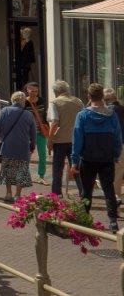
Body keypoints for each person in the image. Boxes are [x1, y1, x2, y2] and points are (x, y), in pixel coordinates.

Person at [70, 83, 122, 232]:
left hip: (88, 158)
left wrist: (75, 161)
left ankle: (84, 219)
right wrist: (116, 154)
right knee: (109, 190)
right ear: (103, 97)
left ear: (89, 96)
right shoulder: (112, 115)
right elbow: (117, 137)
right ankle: (112, 221)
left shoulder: (83, 115)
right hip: (106, 159)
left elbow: (77, 139)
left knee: (86, 191)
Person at [0, 92, 38, 201]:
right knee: (21, 170)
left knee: (7, 169)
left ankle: (8, 193)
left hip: (8, 146)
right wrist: (32, 145)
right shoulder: (28, 114)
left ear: (12, 100)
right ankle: (17, 195)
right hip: (23, 147)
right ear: (23, 101)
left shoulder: (5, 111)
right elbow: (33, 133)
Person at [48, 79, 84, 196]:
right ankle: (83, 192)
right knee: (77, 167)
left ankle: (56, 193)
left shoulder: (55, 103)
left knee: (57, 168)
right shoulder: (78, 101)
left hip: (60, 140)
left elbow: (54, 122)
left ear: (55, 92)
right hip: (76, 139)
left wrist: (50, 139)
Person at [25, 81, 50, 186]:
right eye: (32, 91)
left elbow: (44, 114)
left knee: (42, 155)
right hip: (28, 132)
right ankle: (25, 175)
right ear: (27, 90)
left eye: (36, 91)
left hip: (41, 131)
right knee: (27, 154)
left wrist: (46, 125)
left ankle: (41, 176)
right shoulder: (24, 102)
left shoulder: (41, 100)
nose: (34, 93)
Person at [106, 87, 124, 199]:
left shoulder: (108, 111)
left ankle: (114, 198)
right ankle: (116, 195)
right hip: (122, 144)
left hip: (112, 145)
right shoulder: (122, 108)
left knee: (112, 171)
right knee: (118, 171)